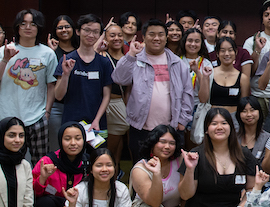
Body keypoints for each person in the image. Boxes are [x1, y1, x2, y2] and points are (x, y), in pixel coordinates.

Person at [111, 18, 195, 165]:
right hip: (140, 127)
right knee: (141, 168)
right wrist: (130, 55)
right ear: (144, 37)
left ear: (166, 37)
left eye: (161, 34)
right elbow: (119, 78)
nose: (156, 38)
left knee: (169, 170)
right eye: (152, 34)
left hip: (171, 128)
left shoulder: (177, 63)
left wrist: (182, 120)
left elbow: (187, 93)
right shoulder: (136, 59)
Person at [0, 8, 58, 162]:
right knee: (6, 162)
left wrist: (47, 112)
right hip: (7, 116)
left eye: (33, 24)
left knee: (39, 163)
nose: (28, 27)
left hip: (37, 117)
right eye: (23, 23)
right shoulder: (4, 51)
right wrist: (5, 60)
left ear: (39, 27)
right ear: (17, 27)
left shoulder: (47, 53)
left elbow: (51, 86)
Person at [54, 14, 113, 138]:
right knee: (72, 155)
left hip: (97, 123)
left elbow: (107, 96)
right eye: (87, 30)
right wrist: (66, 74)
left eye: (95, 32)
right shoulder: (67, 59)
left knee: (100, 156)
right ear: (78, 31)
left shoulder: (104, 62)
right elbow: (58, 96)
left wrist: (97, 120)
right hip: (71, 122)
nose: (91, 35)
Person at [31, 122, 89, 207]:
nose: (73, 143)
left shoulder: (88, 164)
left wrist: (69, 206)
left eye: (78, 138)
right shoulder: (48, 162)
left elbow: (94, 192)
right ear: (60, 140)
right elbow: (32, 194)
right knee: (44, 203)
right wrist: (43, 178)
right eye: (67, 139)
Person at [244, 0, 270, 113]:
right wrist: (257, 49)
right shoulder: (251, 41)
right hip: (257, 95)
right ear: (262, 19)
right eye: (266, 15)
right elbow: (249, 72)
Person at [102, 22, 130, 169]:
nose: (116, 38)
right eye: (112, 35)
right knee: (106, 146)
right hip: (103, 105)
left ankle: (116, 171)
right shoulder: (101, 55)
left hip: (121, 104)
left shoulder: (128, 58)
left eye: (120, 35)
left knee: (117, 144)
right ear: (105, 37)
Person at [47, 14, 78, 150]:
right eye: (60, 28)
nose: (64, 30)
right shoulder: (50, 51)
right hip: (57, 105)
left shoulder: (80, 50)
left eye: (67, 27)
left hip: (77, 104)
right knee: (56, 144)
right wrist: (51, 52)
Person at [198, 36, 249, 116]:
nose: (227, 54)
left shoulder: (243, 78)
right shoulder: (209, 73)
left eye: (230, 50)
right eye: (222, 51)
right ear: (217, 53)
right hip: (212, 117)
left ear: (235, 52)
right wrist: (204, 78)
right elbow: (203, 99)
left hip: (234, 118)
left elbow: (243, 105)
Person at [236, 96, 270, 165]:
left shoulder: (267, 138)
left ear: (259, 112)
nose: (249, 114)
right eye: (244, 111)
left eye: (252, 110)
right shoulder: (233, 137)